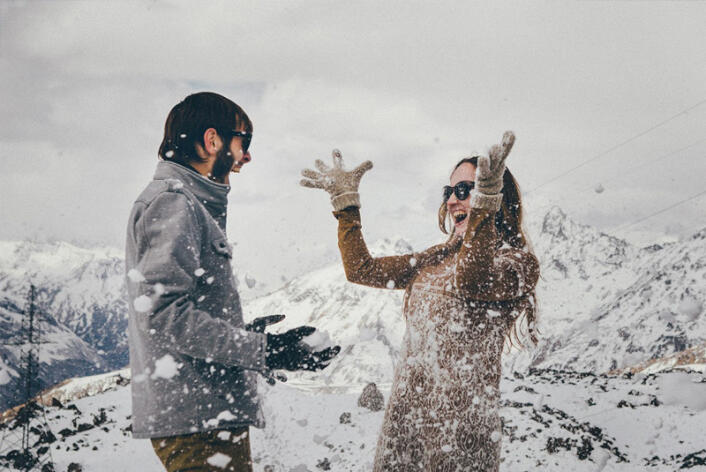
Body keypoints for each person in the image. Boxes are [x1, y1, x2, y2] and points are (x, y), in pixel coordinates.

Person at [300, 131, 539, 471]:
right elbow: (361, 269)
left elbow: (472, 279)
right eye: (449, 192)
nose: (453, 201)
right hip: (405, 432)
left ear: (496, 193)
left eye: (464, 190)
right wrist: (346, 205)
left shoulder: (517, 264)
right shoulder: (435, 257)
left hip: (461, 440)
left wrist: (484, 201)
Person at [125, 92, 339, 472]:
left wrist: (241, 334)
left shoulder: (189, 202)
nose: (248, 156)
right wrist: (262, 350)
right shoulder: (175, 202)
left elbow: (178, 309)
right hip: (198, 420)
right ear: (212, 141)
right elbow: (163, 316)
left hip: (206, 416)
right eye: (245, 141)